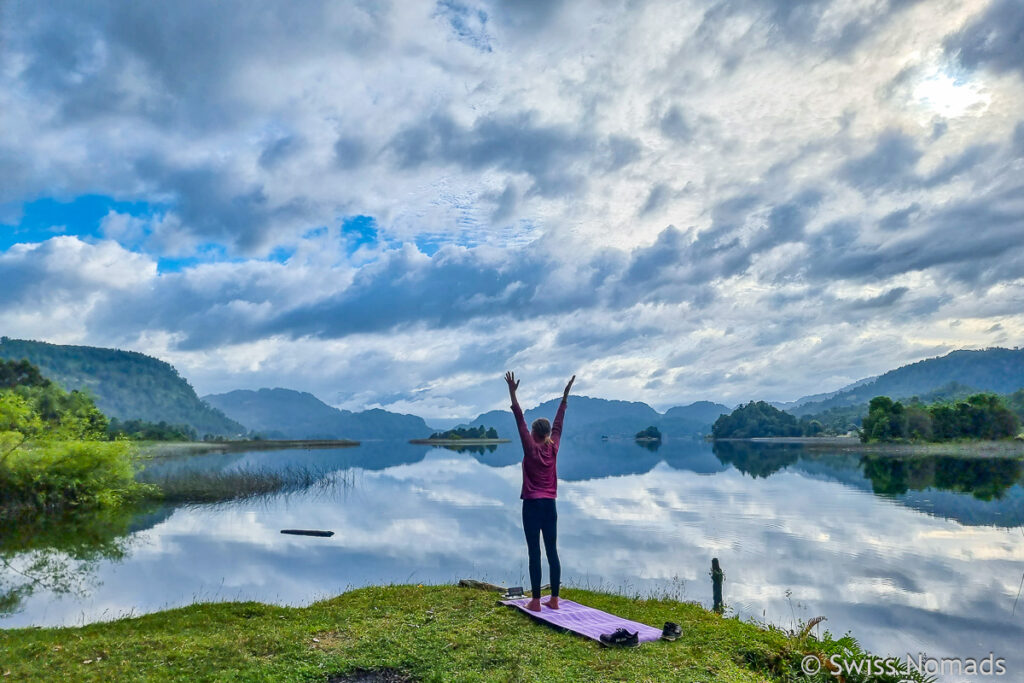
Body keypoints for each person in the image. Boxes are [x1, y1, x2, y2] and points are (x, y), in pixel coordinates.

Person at [504, 370, 575, 612]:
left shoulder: (530, 448)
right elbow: (559, 423)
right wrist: (564, 398)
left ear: (534, 434)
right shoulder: (553, 447)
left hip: (532, 506)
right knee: (552, 550)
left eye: (531, 432)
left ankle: (536, 600)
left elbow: (519, 419)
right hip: (550, 506)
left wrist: (513, 393)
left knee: (535, 551)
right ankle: (554, 599)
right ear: (547, 435)